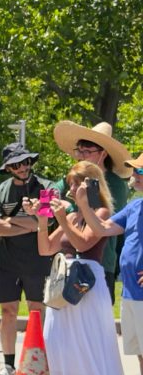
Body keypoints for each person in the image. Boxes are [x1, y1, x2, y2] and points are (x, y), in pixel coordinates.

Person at [25, 161, 128, 375]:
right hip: (62, 279)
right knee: (56, 337)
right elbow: (45, 249)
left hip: (88, 282)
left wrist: (63, 217)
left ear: (92, 184)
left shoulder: (102, 213)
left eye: (77, 181)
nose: (71, 187)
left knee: (96, 338)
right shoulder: (71, 216)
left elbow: (84, 243)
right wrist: (42, 219)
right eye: (71, 181)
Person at [75, 152, 143, 375]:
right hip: (130, 294)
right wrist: (83, 204)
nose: (135, 176)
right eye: (136, 171)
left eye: (140, 172)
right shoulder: (135, 205)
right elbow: (102, 229)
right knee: (140, 354)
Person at [53, 121, 133, 302]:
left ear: (103, 153)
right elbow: (53, 196)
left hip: (101, 260)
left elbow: (109, 216)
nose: (80, 156)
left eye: (86, 151)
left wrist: (71, 207)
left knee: (94, 321)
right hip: (70, 257)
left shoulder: (115, 184)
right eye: (79, 151)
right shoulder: (73, 177)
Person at [0, 143, 53, 375]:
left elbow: (47, 222)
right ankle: (8, 364)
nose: (24, 167)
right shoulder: (0, 191)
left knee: (36, 311)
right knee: (8, 311)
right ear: (8, 167)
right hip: (6, 262)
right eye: (17, 163)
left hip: (38, 261)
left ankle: (38, 363)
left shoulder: (46, 187)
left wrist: (13, 221)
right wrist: (32, 224)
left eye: (27, 161)